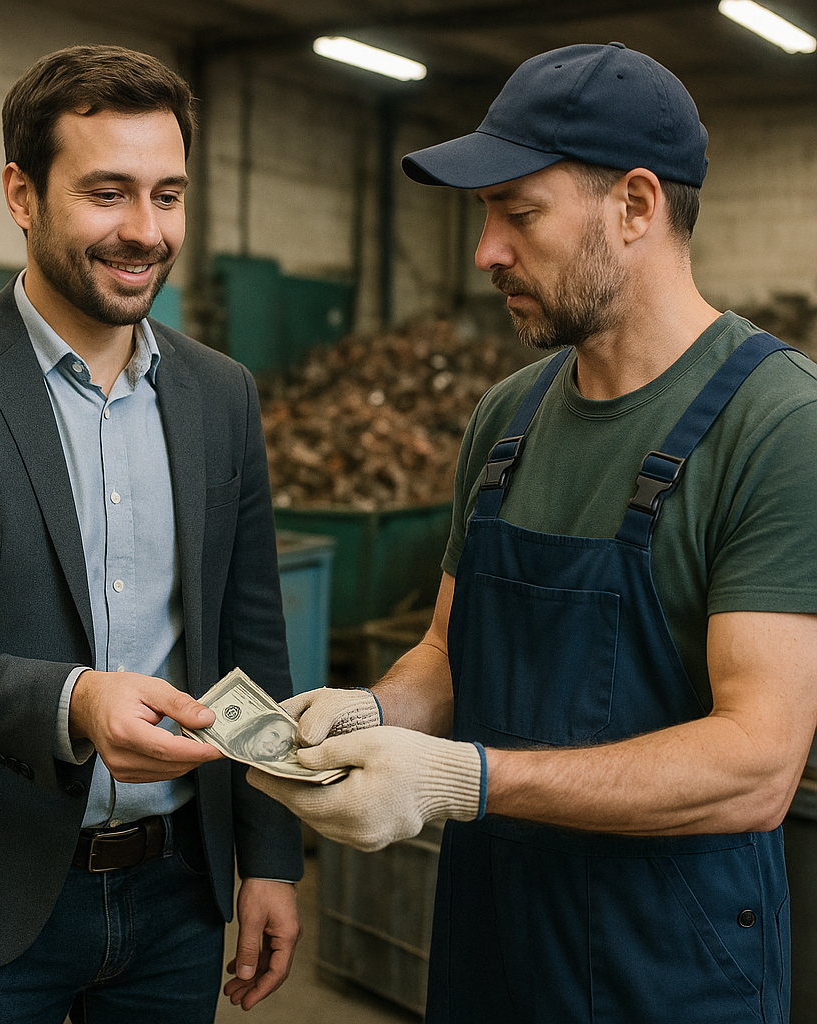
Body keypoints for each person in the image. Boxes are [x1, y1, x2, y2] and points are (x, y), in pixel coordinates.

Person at [250, 42, 817, 1022]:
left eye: (519, 213)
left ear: (636, 205)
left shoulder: (777, 425)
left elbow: (756, 766)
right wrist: (372, 716)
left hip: (669, 971)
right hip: (491, 942)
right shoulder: (506, 419)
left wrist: (460, 776)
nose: (485, 254)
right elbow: (445, 652)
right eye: (483, 217)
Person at [0, 44, 302, 1023]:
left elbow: (249, 641)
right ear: (22, 191)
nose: (145, 232)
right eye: (108, 193)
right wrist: (75, 701)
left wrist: (270, 857)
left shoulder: (221, 395)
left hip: (179, 895)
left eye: (168, 195)